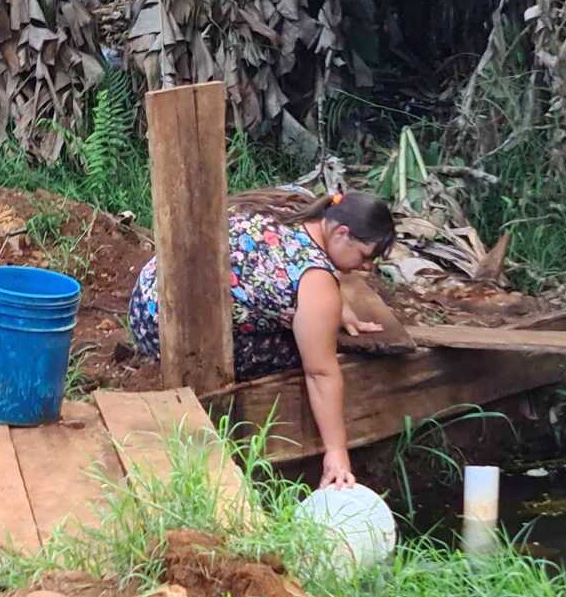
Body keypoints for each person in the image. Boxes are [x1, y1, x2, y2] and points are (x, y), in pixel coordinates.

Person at [128, 189, 395, 490]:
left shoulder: (295, 203)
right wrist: (337, 451)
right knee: (303, 348)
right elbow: (320, 372)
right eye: (365, 256)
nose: (367, 266)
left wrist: (337, 308)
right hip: (171, 335)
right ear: (342, 233)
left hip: (149, 297)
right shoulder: (316, 280)